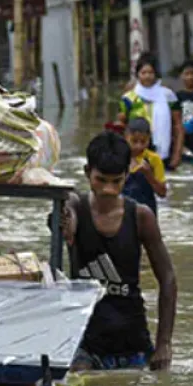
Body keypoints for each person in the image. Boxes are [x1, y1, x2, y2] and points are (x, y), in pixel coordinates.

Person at [57, 132, 177, 371]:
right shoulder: (74, 208)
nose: (108, 189)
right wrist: (65, 218)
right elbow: (64, 214)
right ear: (87, 172)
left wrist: (164, 343)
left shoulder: (141, 217)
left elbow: (168, 279)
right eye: (100, 180)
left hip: (133, 341)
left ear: (126, 176)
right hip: (85, 343)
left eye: (116, 181)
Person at [117, 55, 184, 170]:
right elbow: (121, 125)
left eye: (151, 73)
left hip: (163, 152)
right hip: (135, 151)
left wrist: (177, 155)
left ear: (156, 74)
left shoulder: (168, 95)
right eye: (144, 73)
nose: (147, 76)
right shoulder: (129, 97)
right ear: (138, 74)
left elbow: (178, 125)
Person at [122, 118, 168, 218]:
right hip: (122, 211)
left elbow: (162, 193)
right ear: (126, 137)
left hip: (147, 211)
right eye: (134, 141)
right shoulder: (119, 156)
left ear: (149, 139)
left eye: (143, 142)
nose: (138, 146)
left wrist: (149, 174)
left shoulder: (154, 159)